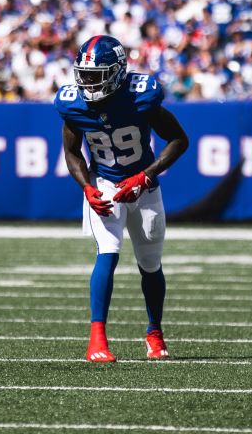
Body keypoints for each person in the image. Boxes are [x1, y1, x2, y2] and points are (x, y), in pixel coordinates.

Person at [55, 35, 190, 363]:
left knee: (150, 264)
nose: (86, 83)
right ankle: (97, 338)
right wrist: (86, 187)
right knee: (108, 253)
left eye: (94, 75)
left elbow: (178, 139)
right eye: (83, 75)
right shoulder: (73, 104)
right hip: (104, 184)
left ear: (116, 72)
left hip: (143, 187)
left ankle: (154, 332)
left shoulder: (141, 96)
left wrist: (146, 176)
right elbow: (72, 153)